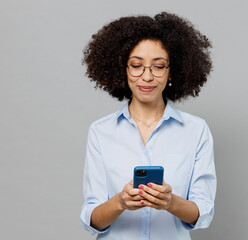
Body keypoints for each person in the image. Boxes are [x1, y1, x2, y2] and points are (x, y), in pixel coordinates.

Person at [80, 12, 216, 240]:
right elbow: (91, 218)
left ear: (171, 71)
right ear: (123, 70)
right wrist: (119, 202)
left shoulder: (196, 130)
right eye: (136, 65)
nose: (147, 76)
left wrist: (171, 203)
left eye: (158, 66)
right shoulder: (100, 132)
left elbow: (203, 213)